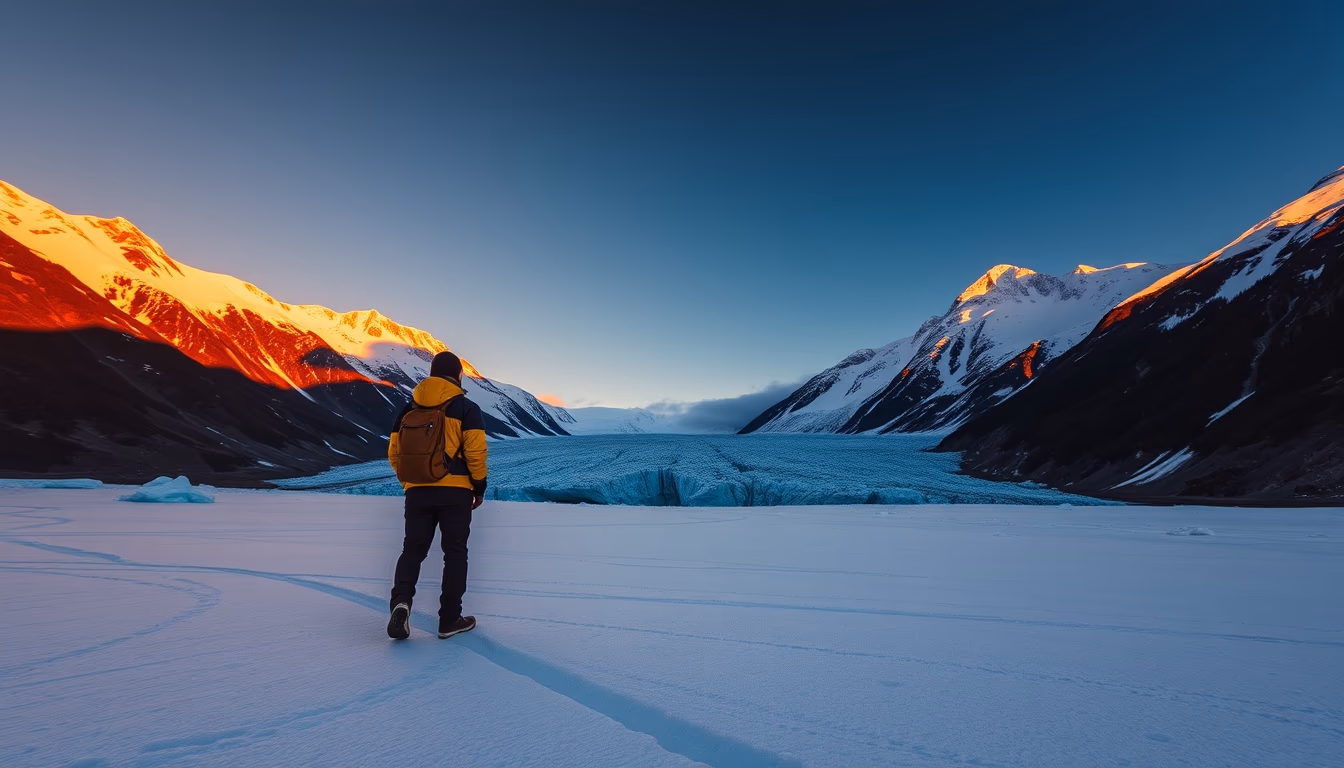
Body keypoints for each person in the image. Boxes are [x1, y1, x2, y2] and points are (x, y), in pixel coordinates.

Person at [386, 351, 488, 640]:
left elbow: (395, 453)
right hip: (456, 493)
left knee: (412, 551)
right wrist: (478, 487)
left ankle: (401, 603)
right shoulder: (466, 408)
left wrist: (412, 482)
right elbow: (476, 452)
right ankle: (449, 619)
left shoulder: (408, 410)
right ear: (457, 375)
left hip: (417, 493)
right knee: (455, 553)